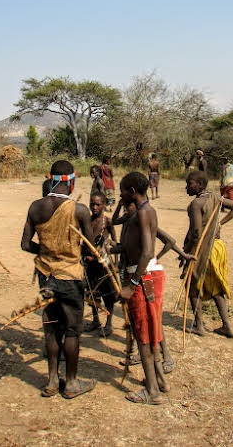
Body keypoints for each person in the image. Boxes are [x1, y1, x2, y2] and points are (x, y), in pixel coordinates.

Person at [21, 160, 97, 399]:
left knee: (51, 328)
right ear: (71, 182)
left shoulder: (36, 207)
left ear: (51, 179)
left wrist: (46, 253)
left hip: (46, 276)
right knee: (73, 330)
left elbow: (25, 244)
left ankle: (53, 380)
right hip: (70, 277)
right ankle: (72, 383)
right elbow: (91, 249)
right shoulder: (80, 210)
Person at [112, 199, 194, 374]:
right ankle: (146, 355)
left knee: (152, 317)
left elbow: (169, 240)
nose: (126, 209)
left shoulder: (143, 221)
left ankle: (166, 357)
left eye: (129, 204)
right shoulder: (130, 222)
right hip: (132, 273)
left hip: (144, 276)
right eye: (125, 206)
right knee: (140, 318)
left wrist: (155, 258)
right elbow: (115, 223)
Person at [118, 171, 167, 405]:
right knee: (148, 330)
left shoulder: (144, 213)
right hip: (143, 275)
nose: (120, 194)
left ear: (132, 192)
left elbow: (147, 252)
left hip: (142, 277)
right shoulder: (139, 213)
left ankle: (152, 391)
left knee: (144, 336)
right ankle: (159, 381)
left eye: (122, 190)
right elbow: (133, 247)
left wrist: (131, 285)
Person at [182, 170, 233, 338]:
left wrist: (187, 253)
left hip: (203, 249)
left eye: (189, 184)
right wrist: (219, 225)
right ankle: (227, 325)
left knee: (192, 285)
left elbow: (196, 233)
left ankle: (199, 325)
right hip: (217, 248)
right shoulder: (215, 198)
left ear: (199, 185)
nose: (186, 187)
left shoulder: (196, 205)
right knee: (215, 287)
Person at [83, 191, 117, 337]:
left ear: (104, 205)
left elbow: (115, 242)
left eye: (98, 204)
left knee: (108, 294)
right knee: (92, 293)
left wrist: (115, 262)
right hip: (90, 264)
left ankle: (109, 323)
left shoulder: (107, 222)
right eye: (92, 204)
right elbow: (83, 241)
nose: (94, 207)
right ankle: (95, 320)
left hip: (104, 264)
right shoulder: (87, 221)